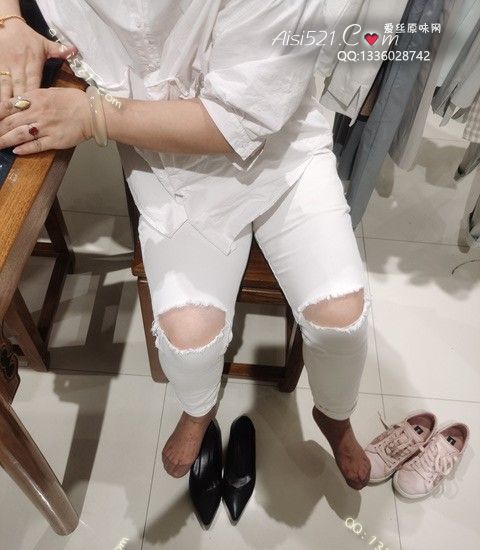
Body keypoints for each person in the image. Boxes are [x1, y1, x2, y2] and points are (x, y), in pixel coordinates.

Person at [0, 0, 372, 489]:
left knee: (341, 320)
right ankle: (199, 408)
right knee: (188, 339)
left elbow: (241, 120)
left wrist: (93, 117)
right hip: (165, 158)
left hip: (280, 151)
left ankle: (335, 414)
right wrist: (9, 20)